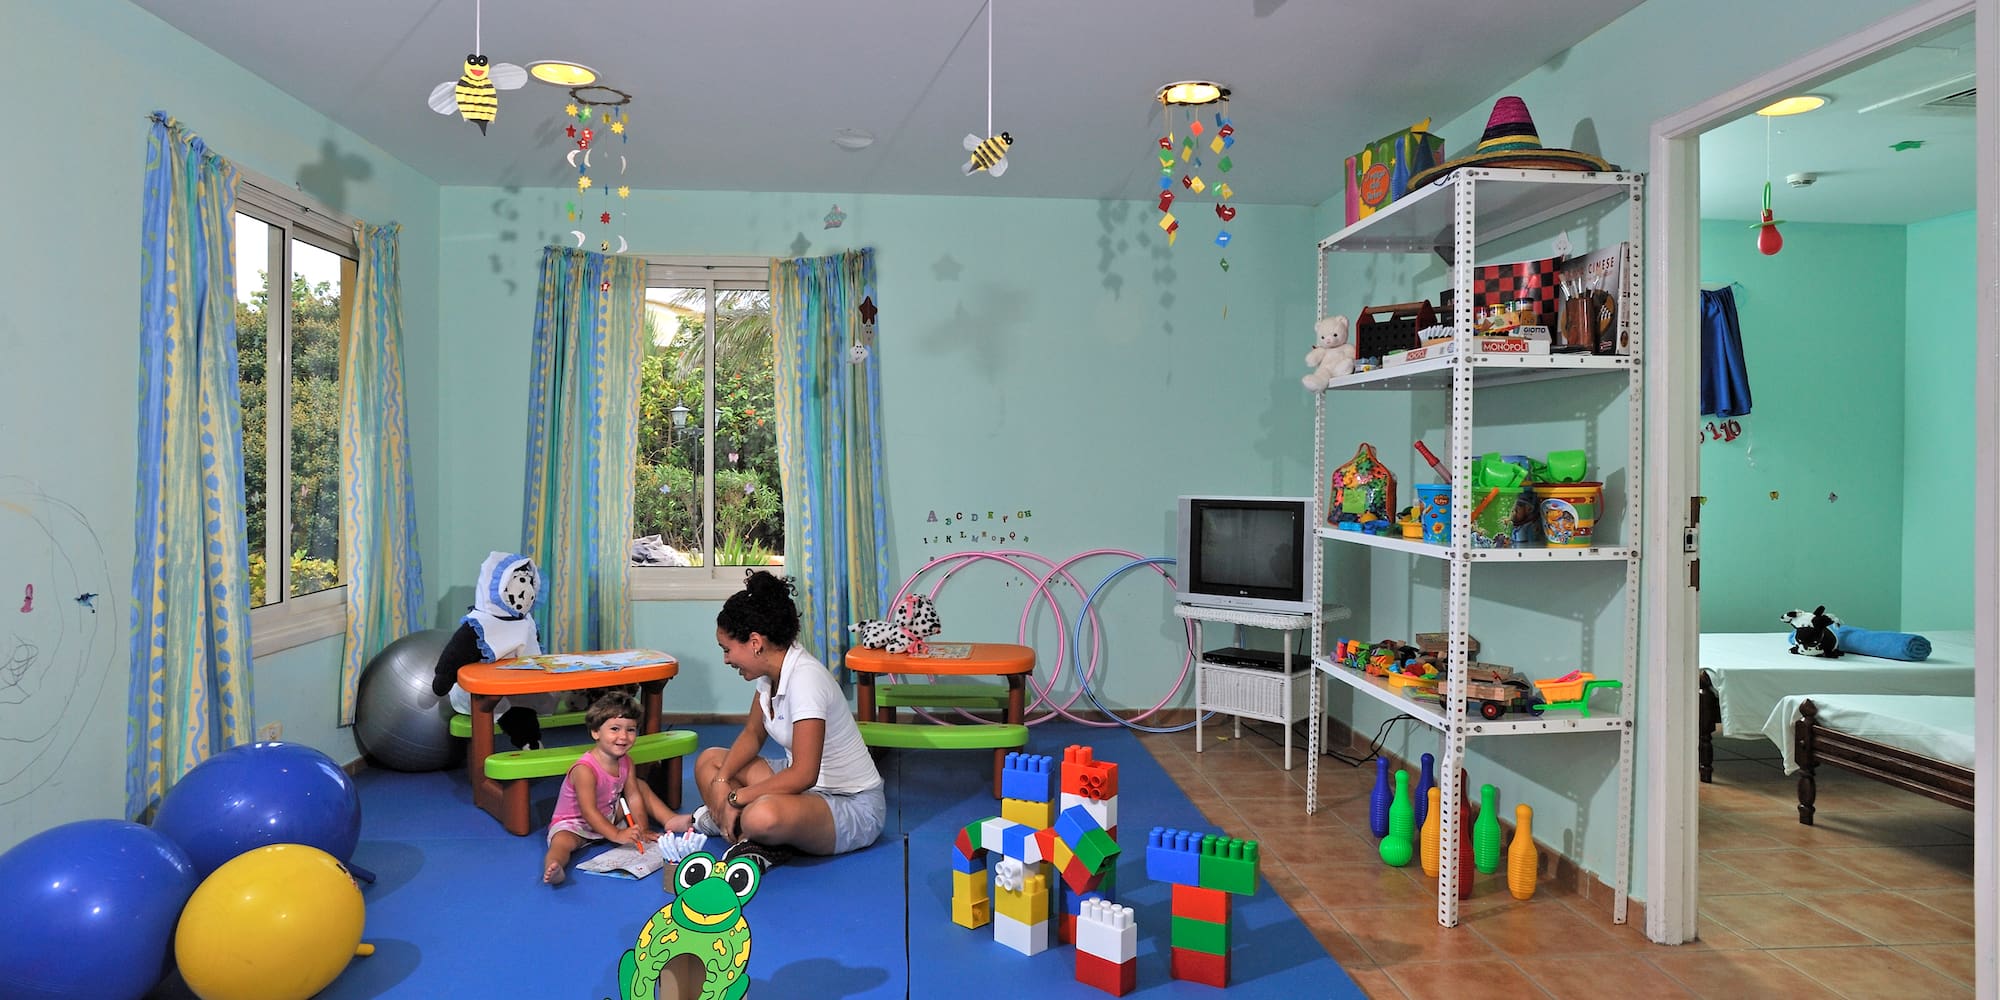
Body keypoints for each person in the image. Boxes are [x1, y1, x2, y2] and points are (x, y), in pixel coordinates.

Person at [678, 570, 885, 872]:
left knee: (760, 815)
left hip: (851, 803)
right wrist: (722, 781)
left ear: (755, 642)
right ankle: (750, 836)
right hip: (803, 792)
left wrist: (735, 798)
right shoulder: (769, 676)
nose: (726, 659)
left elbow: (804, 774)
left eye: (727, 650)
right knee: (709, 761)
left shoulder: (805, 680)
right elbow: (752, 734)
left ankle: (738, 825)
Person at [543, 692, 681, 885]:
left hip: (607, 815)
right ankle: (555, 867)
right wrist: (616, 834)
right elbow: (588, 811)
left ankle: (671, 819)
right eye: (615, 729)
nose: (623, 737)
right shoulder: (585, 769)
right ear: (595, 732)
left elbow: (633, 796)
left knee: (639, 786)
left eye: (631, 730)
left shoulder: (626, 761)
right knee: (562, 843)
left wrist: (642, 829)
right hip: (575, 823)